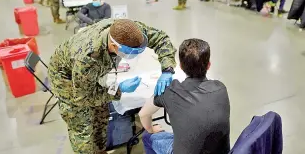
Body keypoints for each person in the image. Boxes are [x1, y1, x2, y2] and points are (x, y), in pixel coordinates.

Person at [48, 18, 177, 153]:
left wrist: (167, 70)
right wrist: (118, 90)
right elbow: (84, 97)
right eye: (131, 52)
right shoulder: (88, 58)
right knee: (83, 128)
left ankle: (100, 151)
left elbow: (161, 39)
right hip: (66, 80)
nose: (133, 56)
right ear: (114, 46)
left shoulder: (130, 31)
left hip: (87, 73)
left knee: (101, 117)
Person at [140, 38, 230, 154]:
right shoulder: (221, 88)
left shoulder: (170, 91)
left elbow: (143, 114)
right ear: (208, 65)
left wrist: (151, 129)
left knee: (148, 138)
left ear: (181, 67)